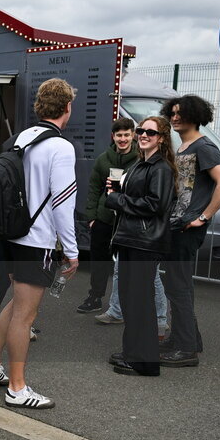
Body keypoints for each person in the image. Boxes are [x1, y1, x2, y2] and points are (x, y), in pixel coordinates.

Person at [0, 78, 79, 409]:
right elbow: (63, 202)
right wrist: (73, 251)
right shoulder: (60, 147)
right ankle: (17, 388)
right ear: (67, 107)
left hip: (10, 234)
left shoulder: (23, 138)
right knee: (26, 314)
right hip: (36, 241)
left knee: (15, 303)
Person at [159, 95, 220, 367]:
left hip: (187, 228)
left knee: (178, 286)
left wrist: (203, 217)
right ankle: (186, 338)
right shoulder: (183, 147)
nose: (175, 117)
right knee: (177, 285)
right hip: (176, 225)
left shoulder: (204, 146)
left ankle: (186, 350)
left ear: (196, 115)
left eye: (181, 113)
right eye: (173, 112)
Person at [105, 116, 177, 376]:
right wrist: (116, 189)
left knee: (140, 300)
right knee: (129, 299)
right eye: (141, 130)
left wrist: (117, 200)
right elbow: (136, 196)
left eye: (150, 132)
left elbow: (154, 205)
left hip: (144, 242)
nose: (143, 135)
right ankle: (132, 352)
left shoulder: (161, 168)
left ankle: (145, 362)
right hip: (130, 238)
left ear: (161, 138)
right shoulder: (140, 164)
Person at [77, 118, 138, 313]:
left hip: (128, 219)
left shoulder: (140, 159)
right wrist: (92, 217)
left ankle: (125, 303)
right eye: (119, 135)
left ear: (133, 135)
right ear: (113, 136)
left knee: (127, 264)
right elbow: (94, 188)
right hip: (103, 219)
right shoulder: (103, 159)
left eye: (127, 135)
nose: (123, 139)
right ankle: (95, 297)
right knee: (99, 260)